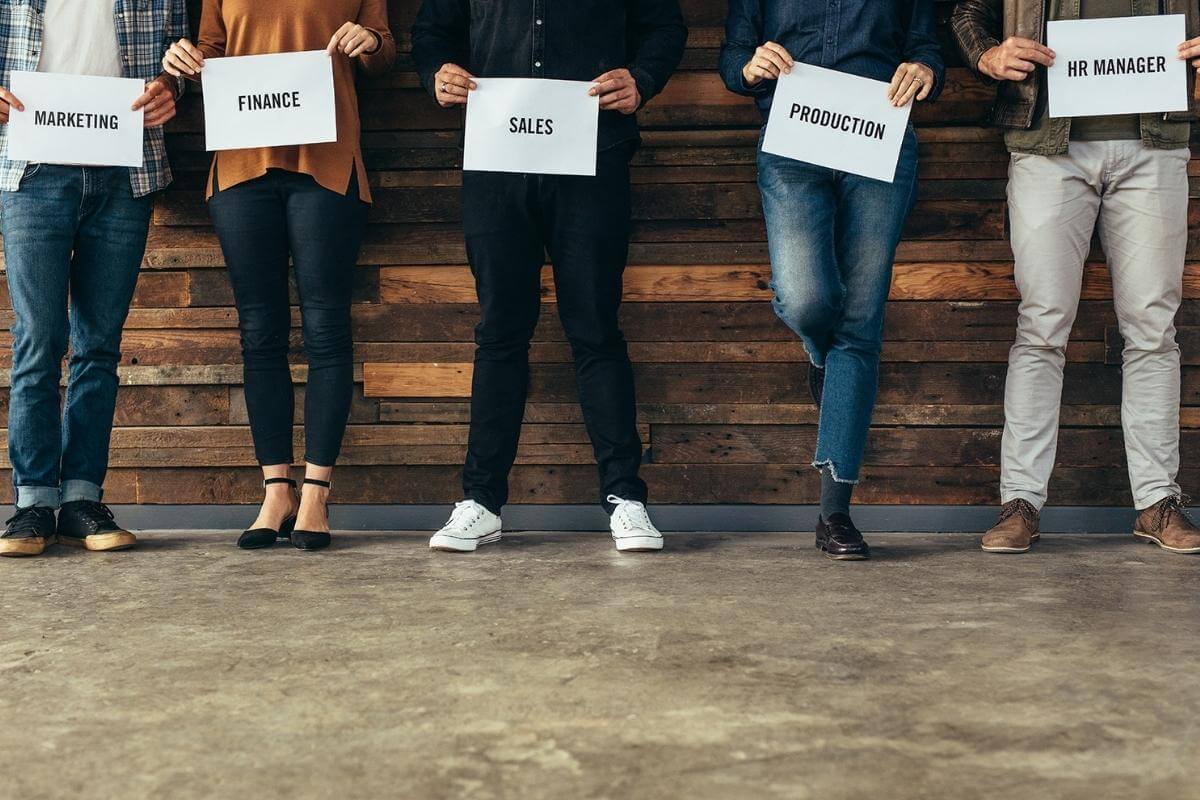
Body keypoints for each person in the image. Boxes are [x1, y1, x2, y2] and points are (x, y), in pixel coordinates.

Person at [411, 1, 687, 553]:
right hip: (496, 158)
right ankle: (482, 502)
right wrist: (435, 72)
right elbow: (432, 31)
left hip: (594, 154)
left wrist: (643, 78)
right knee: (500, 331)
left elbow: (664, 25)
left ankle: (626, 499)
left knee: (594, 329)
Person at [952, 0, 1200, 554]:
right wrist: (985, 54)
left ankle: (1159, 503)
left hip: (1154, 141)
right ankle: (1020, 502)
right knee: (1041, 325)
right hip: (1046, 147)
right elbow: (968, 9)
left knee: (1152, 330)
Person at [162, 1, 395, 551]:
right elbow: (211, 51)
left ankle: (316, 491)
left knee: (327, 329)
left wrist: (371, 42)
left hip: (327, 160)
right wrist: (184, 59)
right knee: (259, 333)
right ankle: (276, 490)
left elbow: (384, 52)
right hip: (242, 163)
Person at [719, 2, 944, 560]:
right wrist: (750, 69)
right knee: (806, 298)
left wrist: (925, 72)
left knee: (860, 324)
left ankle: (834, 514)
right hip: (793, 139)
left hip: (880, 139)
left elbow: (928, 48)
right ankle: (822, 360)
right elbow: (732, 58)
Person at [0, 0, 185, 558]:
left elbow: (183, 62)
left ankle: (82, 499)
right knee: (38, 339)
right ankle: (32, 503)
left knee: (99, 346)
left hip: (125, 169)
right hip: (33, 169)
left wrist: (174, 90)